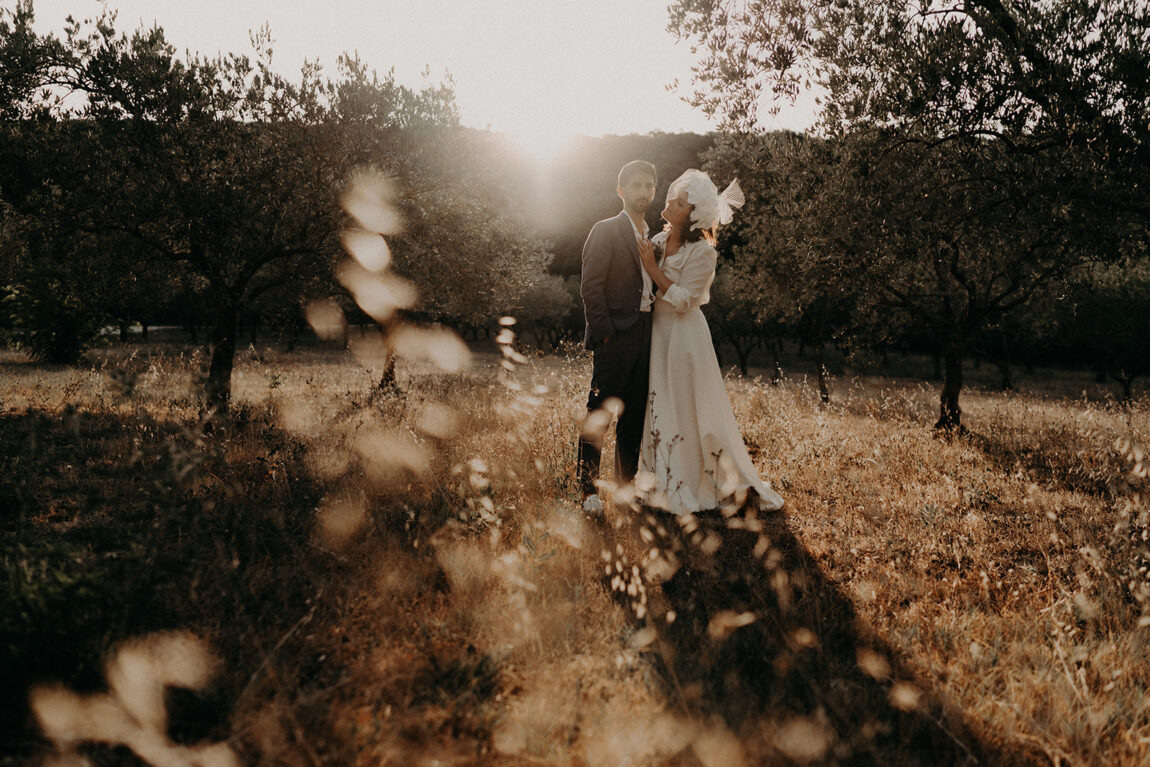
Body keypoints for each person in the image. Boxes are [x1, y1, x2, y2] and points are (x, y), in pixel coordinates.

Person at [635, 169, 785, 515]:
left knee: (689, 406)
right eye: (673, 197)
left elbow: (685, 300)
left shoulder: (703, 252)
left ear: (691, 215)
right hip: (657, 333)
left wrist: (653, 269)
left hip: (684, 336)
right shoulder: (657, 240)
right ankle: (659, 476)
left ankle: (701, 480)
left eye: (679, 202)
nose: (670, 202)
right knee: (661, 401)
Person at [577, 160, 658, 515]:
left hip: (647, 333)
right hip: (615, 336)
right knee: (599, 415)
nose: (644, 192)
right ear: (621, 190)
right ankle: (588, 492)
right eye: (636, 185)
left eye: (649, 186)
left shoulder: (652, 237)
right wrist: (606, 335)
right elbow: (591, 287)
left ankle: (624, 491)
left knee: (633, 417)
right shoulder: (606, 229)